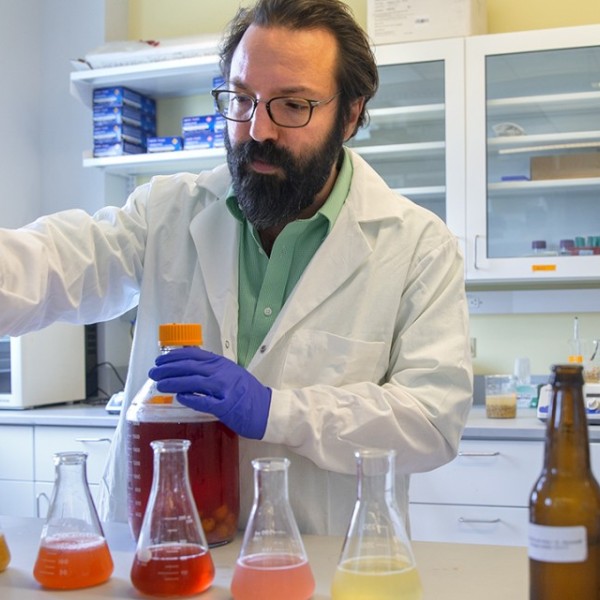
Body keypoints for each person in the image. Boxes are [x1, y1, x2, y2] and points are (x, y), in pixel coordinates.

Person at [0, 0, 472, 535]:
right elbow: (52, 262)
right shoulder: (168, 212)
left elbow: (432, 420)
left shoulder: (417, 246)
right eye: (242, 99)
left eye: (292, 105)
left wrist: (275, 410)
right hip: (167, 549)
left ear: (351, 114)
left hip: (318, 562)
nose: (257, 130)